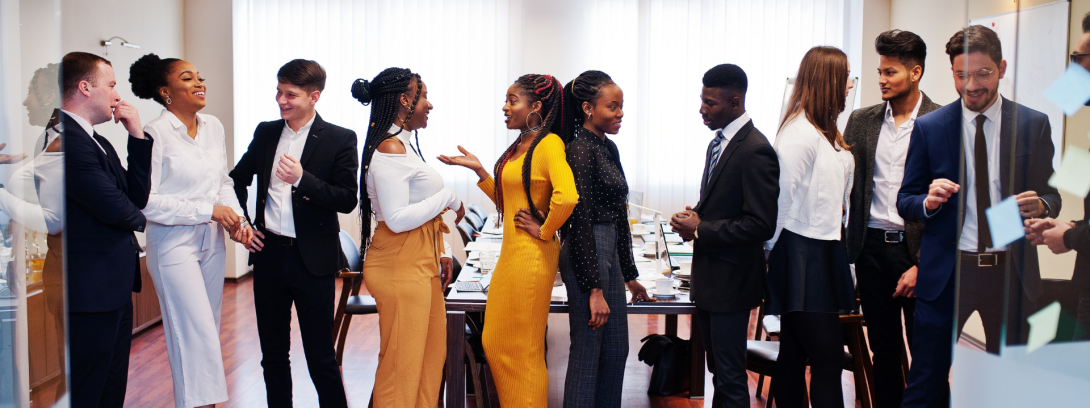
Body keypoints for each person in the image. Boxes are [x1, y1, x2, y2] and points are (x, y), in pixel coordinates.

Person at [897, 25, 1059, 407]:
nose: (971, 85)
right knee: (925, 383)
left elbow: (1051, 193)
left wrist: (1045, 205)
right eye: (960, 75)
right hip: (948, 273)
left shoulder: (1033, 124)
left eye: (982, 73)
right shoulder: (930, 127)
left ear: (1001, 68)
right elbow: (906, 199)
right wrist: (927, 202)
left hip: (1010, 272)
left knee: (1013, 384)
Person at [438, 74, 578, 407]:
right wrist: (483, 174)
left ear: (536, 106)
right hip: (513, 255)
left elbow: (567, 197)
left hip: (531, 258)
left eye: (512, 100)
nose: (505, 106)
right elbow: (510, 203)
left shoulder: (549, 144)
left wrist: (545, 230)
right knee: (497, 342)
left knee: (523, 348)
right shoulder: (522, 145)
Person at [229, 59, 357, 408]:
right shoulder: (266, 132)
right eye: (279, 91)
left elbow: (347, 199)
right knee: (272, 354)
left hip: (312, 260)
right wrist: (241, 224)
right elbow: (235, 180)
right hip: (268, 253)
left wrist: (303, 179)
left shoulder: (340, 138)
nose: (281, 100)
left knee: (320, 355)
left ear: (314, 96)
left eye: (290, 94)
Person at [129, 53, 252, 408]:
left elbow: (223, 181)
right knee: (192, 332)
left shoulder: (213, 125)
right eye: (188, 78)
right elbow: (146, 202)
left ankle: (202, 403)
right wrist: (209, 211)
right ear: (166, 91)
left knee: (207, 332)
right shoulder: (154, 132)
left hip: (211, 242)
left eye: (199, 76)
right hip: (172, 245)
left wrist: (236, 219)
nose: (200, 83)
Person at [351, 68, 463, 407]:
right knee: (402, 363)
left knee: (430, 355)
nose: (429, 105)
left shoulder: (404, 144)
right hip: (398, 263)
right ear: (404, 99)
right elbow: (398, 219)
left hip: (419, 258)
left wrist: (441, 249)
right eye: (423, 96)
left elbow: (417, 209)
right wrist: (448, 197)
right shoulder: (389, 148)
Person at [669, 64, 779, 408]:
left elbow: (761, 224)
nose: (702, 110)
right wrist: (694, 219)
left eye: (710, 103)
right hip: (711, 278)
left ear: (734, 101)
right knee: (718, 369)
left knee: (730, 376)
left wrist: (701, 228)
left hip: (732, 282)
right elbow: (723, 207)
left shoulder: (755, 149)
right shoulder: (717, 143)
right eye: (702, 101)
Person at [841, 30, 941, 408]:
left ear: (915, 73)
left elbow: (951, 206)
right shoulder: (862, 120)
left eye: (891, 72)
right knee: (882, 352)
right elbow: (849, 187)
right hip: (870, 251)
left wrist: (923, 263)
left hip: (919, 255)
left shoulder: (944, 120)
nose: (881, 79)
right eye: (880, 71)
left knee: (925, 357)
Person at [764, 46, 857, 408]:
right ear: (829, 80)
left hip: (824, 248)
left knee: (795, 353)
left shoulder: (826, 130)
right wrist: (771, 252)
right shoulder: (799, 133)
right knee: (828, 357)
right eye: (847, 76)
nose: (850, 84)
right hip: (800, 250)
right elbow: (781, 200)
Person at [61, 51, 154, 408]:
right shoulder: (67, 140)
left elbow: (136, 196)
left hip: (110, 284)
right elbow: (120, 210)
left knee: (112, 385)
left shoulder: (96, 140)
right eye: (111, 85)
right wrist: (168, 221)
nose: (118, 95)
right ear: (85, 87)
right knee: (91, 388)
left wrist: (136, 134)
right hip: (89, 289)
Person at [555, 70, 651, 408]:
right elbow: (578, 219)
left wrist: (630, 276)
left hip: (606, 250)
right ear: (587, 108)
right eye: (613, 107)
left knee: (615, 350)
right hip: (587, 253)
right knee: (588, 353)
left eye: (622, 107)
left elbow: (619, 215)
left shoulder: (608, 148)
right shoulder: (579, 149)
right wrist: (594, 288)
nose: (620, 114)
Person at [1025, 11, 1090, 339]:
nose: (1074, 69)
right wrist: (1072, 227)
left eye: (1079, 57)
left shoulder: (1033, 125)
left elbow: (1054, 195)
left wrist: (1069, 236)